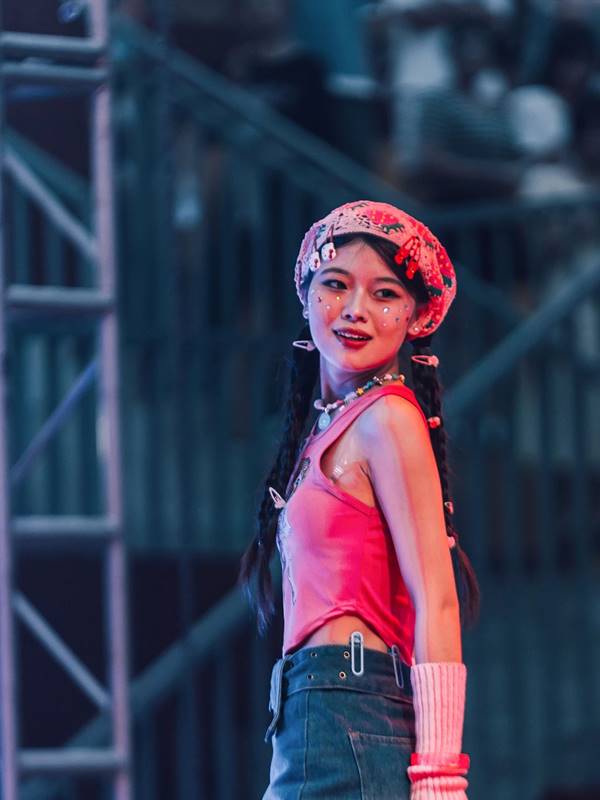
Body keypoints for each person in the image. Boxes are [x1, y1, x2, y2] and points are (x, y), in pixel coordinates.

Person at [238, 200, 480, 798]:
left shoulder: (387, 420)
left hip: (349, 706)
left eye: (385, 294)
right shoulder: (333, 426)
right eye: (336, 284)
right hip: (316, 713)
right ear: (306, 294)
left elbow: (437, 598)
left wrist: (440, 776)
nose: (355, 309)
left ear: (414, 316)